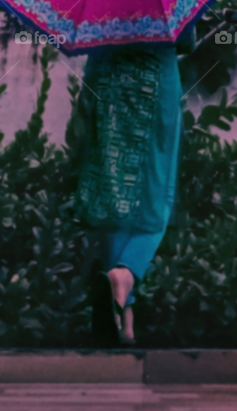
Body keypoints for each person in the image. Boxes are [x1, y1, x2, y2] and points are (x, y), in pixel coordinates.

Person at [73, 38, 185, 344]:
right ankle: (125, 273)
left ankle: (125, 319)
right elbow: (185, 38)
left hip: (107, 76)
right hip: (155, 80)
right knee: (158, 196)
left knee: (114, 194)